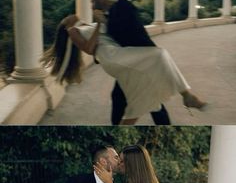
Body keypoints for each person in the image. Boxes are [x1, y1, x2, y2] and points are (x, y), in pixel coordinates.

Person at [42, 10, 207, 125]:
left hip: (117, 52)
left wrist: (103, 20)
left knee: (144, 93)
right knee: (159, 55)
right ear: (66, 24)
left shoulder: (85, 25)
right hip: (111, 57)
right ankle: (187, 95)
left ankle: (125, 124)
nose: (69, 15)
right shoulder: (73, 30)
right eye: (66, 17)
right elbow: (89, 49)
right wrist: (99, 24)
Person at [92, 0, 171, 125]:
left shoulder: (124, 5)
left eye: (94, 0)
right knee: (121, 98)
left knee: (152, 102)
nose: (92, 4)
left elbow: (126, 31)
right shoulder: (107, 16)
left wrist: (104, 21)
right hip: (131, 64)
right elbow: (109, 41)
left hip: (145, 59)